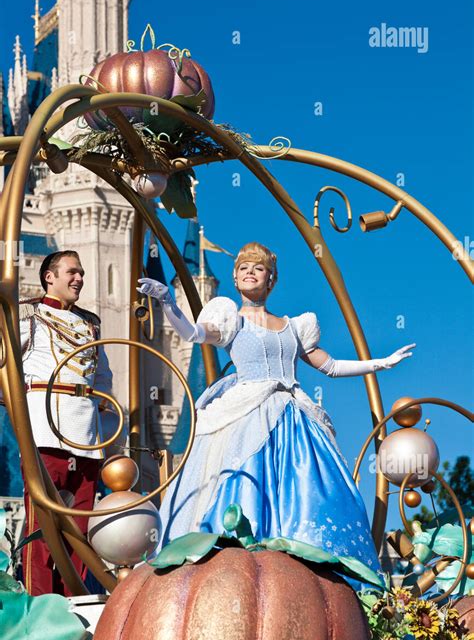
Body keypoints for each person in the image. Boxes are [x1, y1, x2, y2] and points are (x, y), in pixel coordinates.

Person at [137, 241, 416, 590]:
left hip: (294, 416)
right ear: (235, 280)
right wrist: (167, 301)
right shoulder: (230, 318)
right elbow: (192, 333)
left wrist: (380, 363)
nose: (250, 272)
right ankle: (237, 578)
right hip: (246, 413)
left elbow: (329, 366)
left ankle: (310, 580)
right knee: (241, 482)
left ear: (271, 280)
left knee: (316, 492)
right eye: (243, 268)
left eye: (258, 268)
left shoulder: (294, 326)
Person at [1, 250, 113, 596]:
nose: (79, 278)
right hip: (44, 429)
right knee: (43, 526)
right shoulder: (27, 315)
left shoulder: (90, 323)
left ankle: (75, 603)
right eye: (72, 272)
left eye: (81, 273)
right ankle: (40, 603)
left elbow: (104, 377)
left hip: (86, 434)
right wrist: (17, 405)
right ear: (49, 276)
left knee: (80, 529)